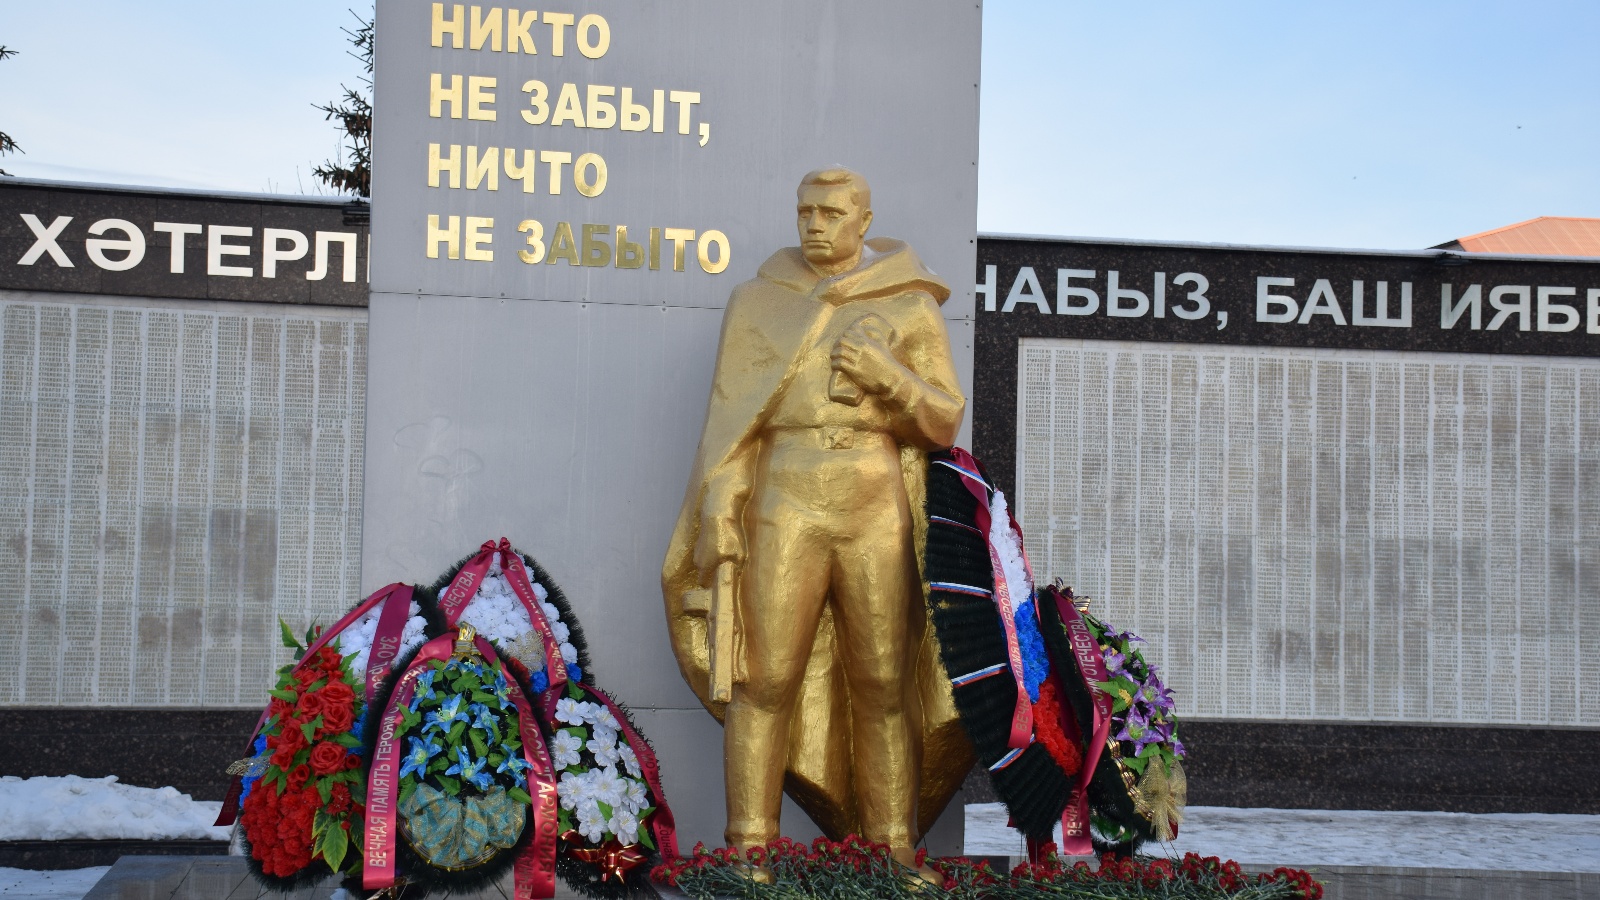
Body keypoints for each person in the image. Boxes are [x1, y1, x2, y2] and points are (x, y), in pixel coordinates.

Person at [661, 168, 966, 875]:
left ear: (864, 220)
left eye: (831, 212)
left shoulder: (912, 305)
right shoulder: (757, 303)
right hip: (785, 496)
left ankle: (892, 849)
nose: (814, 224)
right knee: (763, 678)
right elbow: (733, 428)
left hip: (872, 496)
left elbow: (944, 422)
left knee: (885, 681)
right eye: (805, 211)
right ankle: (748, 849)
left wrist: (886, 373)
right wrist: (719, 512)